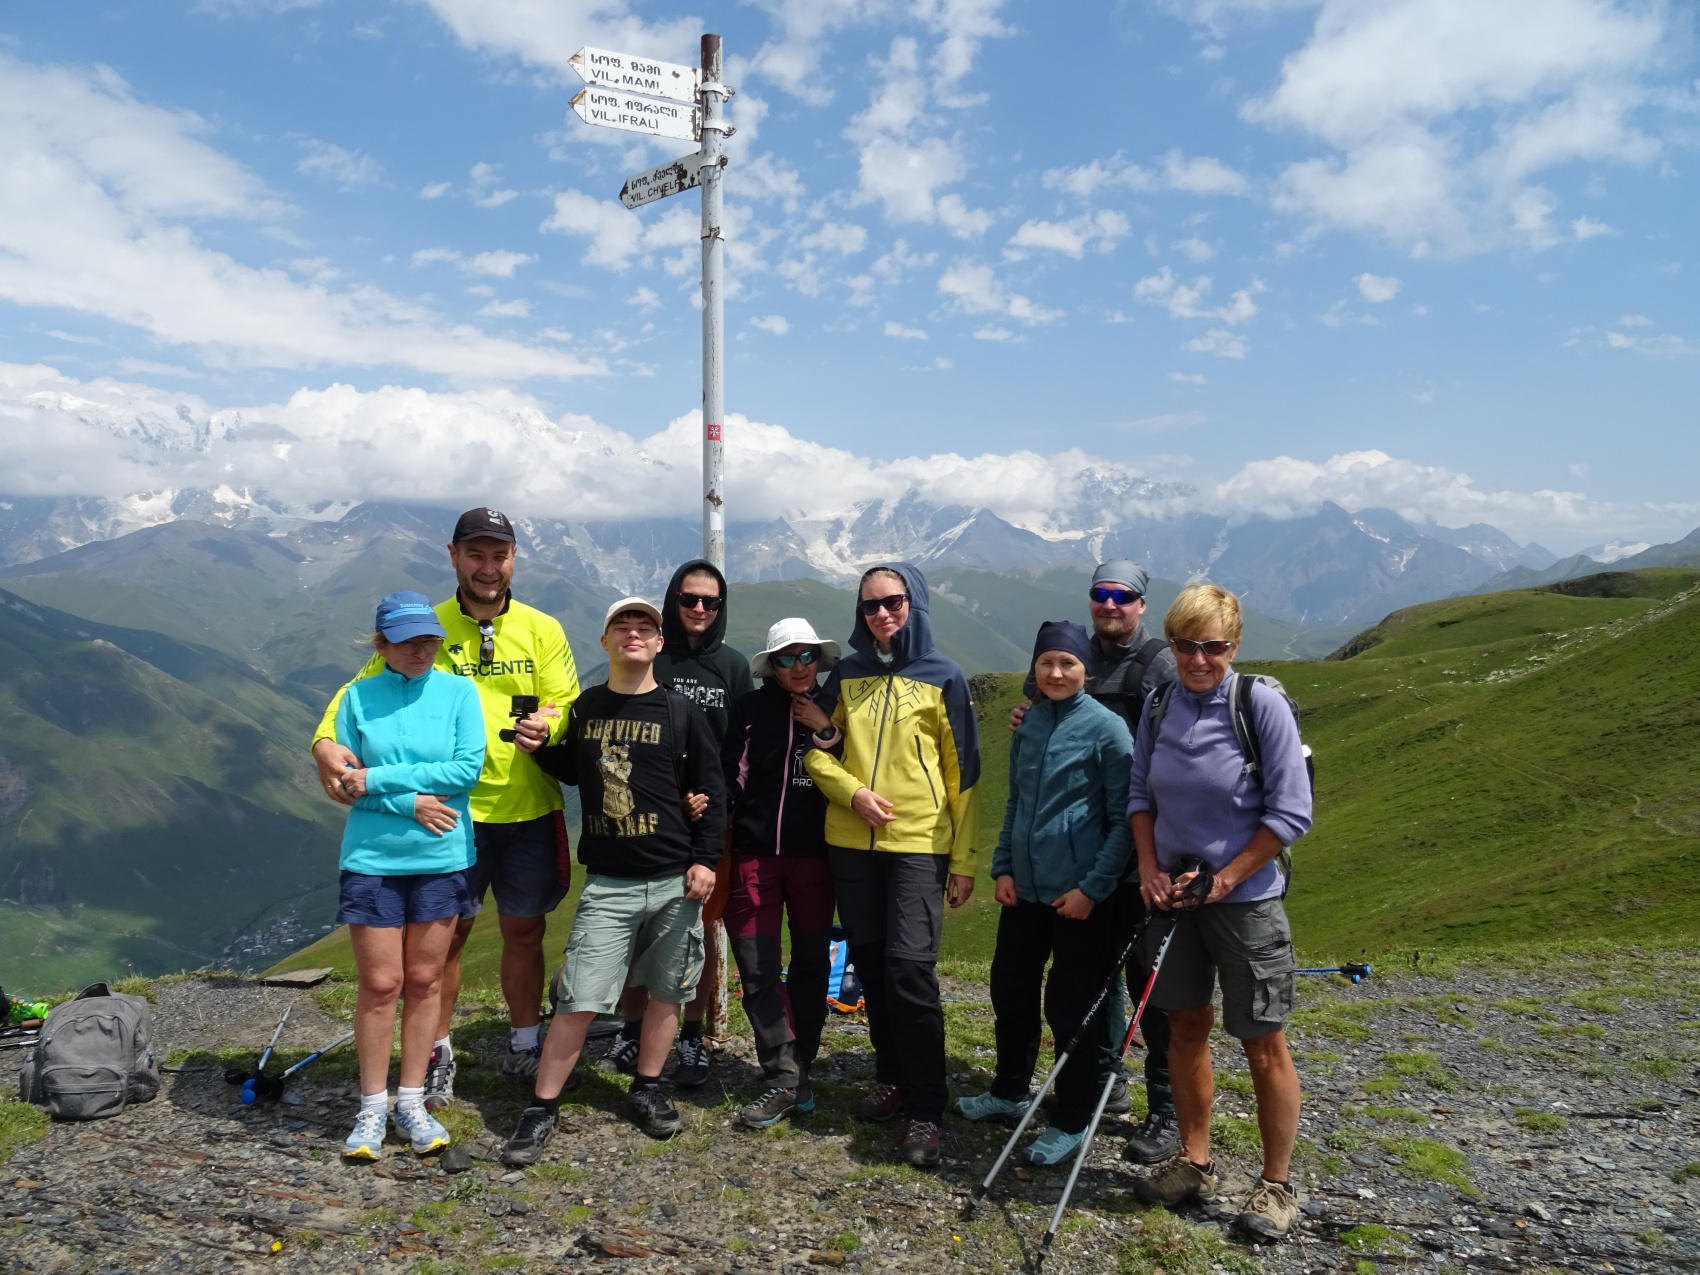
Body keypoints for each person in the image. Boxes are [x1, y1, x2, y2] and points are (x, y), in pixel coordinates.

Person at [311, 508, 580, 1106]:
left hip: (527, 804)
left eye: (500, 555)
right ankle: (436, 1051)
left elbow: (567, 699)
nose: (489, 568)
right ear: (453, 555)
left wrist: (551, 723)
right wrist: (325, 744)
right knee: (447, 940)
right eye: (476, 555)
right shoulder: (423, 625)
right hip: (447, 813)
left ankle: (524, 1038)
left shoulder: (543, 628)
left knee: (524, 929)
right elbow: (355, 696)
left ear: (514, 559)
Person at [499, 597, 727, 1163]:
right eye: (621, 625)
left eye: (645, 626)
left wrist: (705, 860)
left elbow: (712, 789)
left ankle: (647, 1088)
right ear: (604, 642)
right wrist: (535, 750)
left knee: (669, 991)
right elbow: (574, 769)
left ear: (658, 644)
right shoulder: (585, 708)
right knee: (579, 997)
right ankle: (541, 1106)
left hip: (675, 876)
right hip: (609, 881)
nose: (633, 632)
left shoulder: (680, 712)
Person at [1126, 583, 1311, 1241]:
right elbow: (1138, 795)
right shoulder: (1159, 703)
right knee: (1184, 1027)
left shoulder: (1258, 703)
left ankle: (1276, 1185)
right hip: (1175, 898)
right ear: (1172, 642)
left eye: (1213, 646)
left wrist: (1227, 878)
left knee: (1263, 1038)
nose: (1198, 658)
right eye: (1185, 644)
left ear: (1234, 645)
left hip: (1247, 901)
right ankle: (1196, 1161)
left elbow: (1291, 812)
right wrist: (1149, 869)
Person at [805, 563, 979, 1168]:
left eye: (893, 602)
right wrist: (850, 792)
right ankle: (892, 1077)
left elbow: (965, 776)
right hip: (851, 844)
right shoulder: (846, 674)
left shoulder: (945, 677)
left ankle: (928, 1106)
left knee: (910, 971)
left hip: (918, 847)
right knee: (874, 967)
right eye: (871, 605)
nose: (881, 614)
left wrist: (963, 859)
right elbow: (816, 753)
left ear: (915, 603)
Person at [1011, 560, 1181, 1163]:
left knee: (1153, 986)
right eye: (1100, 595)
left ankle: (1166, 1109)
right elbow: (1042, 716)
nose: (1110, 605)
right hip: (1098, 860)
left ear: (1141, 603)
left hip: (1151, 852)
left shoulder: (1160, 664)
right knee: (1098, 983)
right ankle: (1106, 1087)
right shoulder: (1076, 656)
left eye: (1123, 596)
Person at [953, 621, 1134, 1163]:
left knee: (1071, 1007)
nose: (1056, 673)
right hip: (1025, 891)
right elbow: (1017, 803)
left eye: (1068, 664)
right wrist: (1003, 867)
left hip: (1079, 898)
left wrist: (1093, 888)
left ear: (1087, 671)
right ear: (1034, 669)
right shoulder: (1027, 724)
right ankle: (1009, 1091)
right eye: (1046, 663)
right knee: (1010, 990)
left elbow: (1124, 820)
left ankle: (1074, 1116)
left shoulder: (1108, 730)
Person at [328, 592, 485, 1160]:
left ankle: (411, 1101)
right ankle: (371, 1108)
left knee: (425, 981)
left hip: (444, 858)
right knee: (380, 985)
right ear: (382, 643)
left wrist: (379, 780)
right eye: (406, 639)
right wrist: (409, 802)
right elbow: (346, 784)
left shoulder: (458, 691)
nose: (421, 649)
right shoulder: (355, 698)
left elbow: (466, 769)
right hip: (372, 861)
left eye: (428, 638)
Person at [607, 559, 753, 1088]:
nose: (698, 609)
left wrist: (718, 801)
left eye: (709, 602)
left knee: (698, 932)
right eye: (689, 599)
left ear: (720, 608)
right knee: (639, 931)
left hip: (710, 819)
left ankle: (693, 1036)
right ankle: (630, 1029)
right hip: (650, 816)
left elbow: (739, 744)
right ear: (672, 600)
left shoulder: (733, 666)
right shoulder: (654, 656)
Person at [719, 618, 840, 1128]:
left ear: (819, 659)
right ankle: (785, 1076)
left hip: (817, 858)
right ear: (771, 665)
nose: (799, 666)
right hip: (755, 856)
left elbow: (857, 767)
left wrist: (824, 729)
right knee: (757, 966)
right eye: (787, 658)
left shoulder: (836, 707)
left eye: (807, 656)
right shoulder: (748, 710)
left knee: (812, 964)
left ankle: (798, 1067)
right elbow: (730, 776)